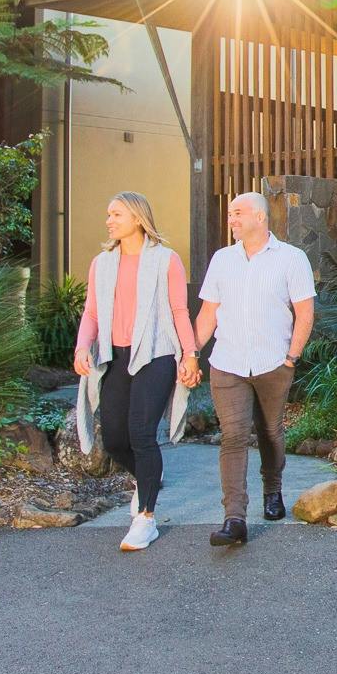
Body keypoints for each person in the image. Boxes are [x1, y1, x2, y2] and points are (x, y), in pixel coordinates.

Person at [73, 192, 201, 552]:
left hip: (156, 354)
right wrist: (83, 346)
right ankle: (148, 476)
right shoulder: (102, 262)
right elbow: (92, 313)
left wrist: (189, 355)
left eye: (116, 214)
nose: (109, 220)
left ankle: (145, 519)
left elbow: (179, 311)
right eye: (108, 214)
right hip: (115, 355)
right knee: (114, 439)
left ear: (137, 218)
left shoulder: (166, 260)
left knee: (141, 433)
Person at [194, 191, 315, 547]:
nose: (230, 219)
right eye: (230, 214)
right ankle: (234, 517)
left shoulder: (292, 259)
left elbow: (304, 313)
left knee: (271, 432)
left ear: (260, 218)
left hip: (273, 363)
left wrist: (291, 357)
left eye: (237, 213)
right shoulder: (221, 260)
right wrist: (190, 353)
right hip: (227, 364)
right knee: (232, 437)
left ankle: (272, 489)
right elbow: (207, 314)